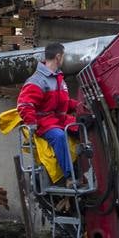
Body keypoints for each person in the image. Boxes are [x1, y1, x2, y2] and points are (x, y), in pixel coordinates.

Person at [17, 42, 79, 185]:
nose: (64, 59)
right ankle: (69, 177)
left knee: (84, 128)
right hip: (45, 123)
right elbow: (24, 104)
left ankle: (86, 171)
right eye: (63, 56)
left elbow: (64, 102)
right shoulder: (37, 81)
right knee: (59, 136)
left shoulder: (59, 79)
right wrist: (32, 124)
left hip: (59, 120)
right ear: (58, 57)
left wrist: (81, 106)